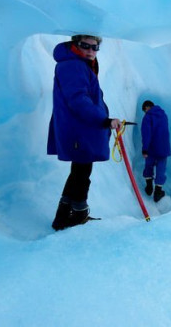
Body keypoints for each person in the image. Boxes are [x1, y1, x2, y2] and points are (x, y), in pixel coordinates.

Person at [47, 34, 122, 231]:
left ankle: (63, 218)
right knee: (82, 174)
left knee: (78, 172)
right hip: (80, 129)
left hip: (79, 128)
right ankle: (76, 216)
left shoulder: (76, 64)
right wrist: (104, 120)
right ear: (75, 44)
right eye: (85, 46)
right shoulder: (74, 65)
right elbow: (78, 100)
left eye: (95, 47)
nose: (91, 51)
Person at [140, 100, 171, 203]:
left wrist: (145, 149)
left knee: (149, 166)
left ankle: (149, 188)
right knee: (161, 169)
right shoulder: (163, 115)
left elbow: (146, 134)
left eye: (144, 110)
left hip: (152, 148)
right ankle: (158, 192)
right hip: (164, 148)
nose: (145, 112)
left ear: (147, 108)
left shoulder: (148, 117)